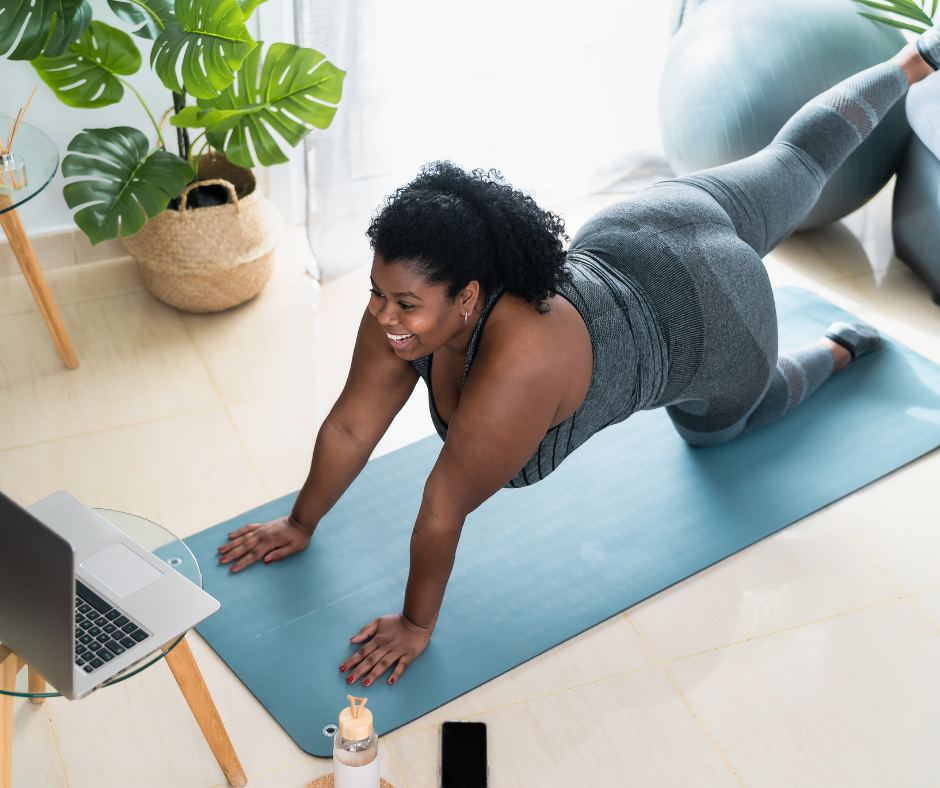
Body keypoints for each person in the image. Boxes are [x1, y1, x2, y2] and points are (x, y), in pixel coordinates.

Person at [218, 35, 940, 688]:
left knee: (718, 431)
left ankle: (837, 350)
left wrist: (415, 626)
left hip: (719, 323)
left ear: (468, 296)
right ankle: (920, 56)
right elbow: (350, 428)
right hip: (649, 225)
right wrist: (301, 523)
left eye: (404, 304)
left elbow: (443, 506)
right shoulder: (410, 309)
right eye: (378, 294)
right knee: (792, 166)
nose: (383, 317)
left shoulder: (518, 364)